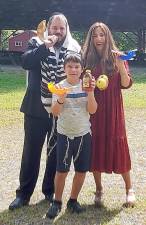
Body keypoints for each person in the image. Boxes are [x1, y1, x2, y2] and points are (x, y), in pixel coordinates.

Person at [9, 13, 81, 210]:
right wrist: (45, 46)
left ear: (66, 30)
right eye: (54, 28)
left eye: (61, 29)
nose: (57, 32)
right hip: (35, 107)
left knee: (55, 152)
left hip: (61, 108)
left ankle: (49, 190)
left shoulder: (74, 48)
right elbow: (26, 62)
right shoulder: (36, 42)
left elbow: (77, 75)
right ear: (48, 28)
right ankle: (23, 194)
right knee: (31, 152)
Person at [82, 22, 136, 208]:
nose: (98, 38)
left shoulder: (117, 56)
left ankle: (129, 189)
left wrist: (121, 65)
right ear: (90, 38)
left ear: (108, 37)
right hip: (95, 109)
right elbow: (82, 84)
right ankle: (98, 189)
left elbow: (126, 83)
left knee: (118, 143)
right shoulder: (86, 59)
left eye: (102, 35)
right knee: (95, 145)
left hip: (113, 109)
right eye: (95, 35)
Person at [45, 52, 97, 219]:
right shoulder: (59, 86)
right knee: (61, 171)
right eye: (70, 67)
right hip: (64, 134)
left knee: (81, 171)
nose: (73, 70)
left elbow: (92, 110)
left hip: (83, 134)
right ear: (64, 68)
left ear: (82, 69)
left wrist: (90, 93)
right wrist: (61, 98)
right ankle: (57, 201)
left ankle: (73, 200)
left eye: (76, 67)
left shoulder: (87, 85)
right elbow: (54, 112)